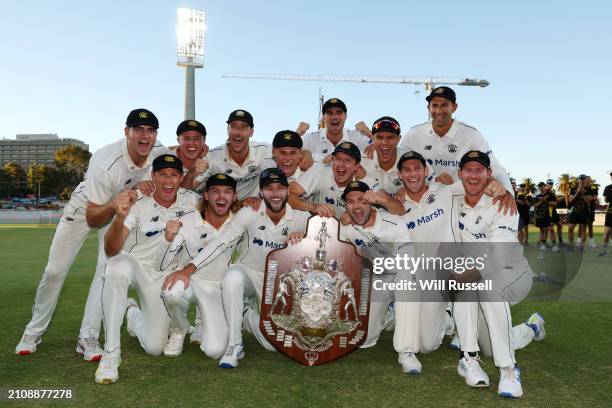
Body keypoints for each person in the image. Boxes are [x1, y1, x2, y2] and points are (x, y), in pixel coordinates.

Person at [16, 109, 167, 360]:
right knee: (55, 271)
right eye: (138, 129)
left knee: (106, 269)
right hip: (87, 210)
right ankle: (33, 330)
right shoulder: (105, 160)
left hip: (118, 212)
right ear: (126, 132)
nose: (145, 136)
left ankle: (88, 337)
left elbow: (178, 159)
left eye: (150, 131)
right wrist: (116, 202)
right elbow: (93, 217)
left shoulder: (158, 152)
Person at [169, 168, 310, 369]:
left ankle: (246, 316)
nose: (275, 193)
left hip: (279, 281)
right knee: (232, 277)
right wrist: (189, 268)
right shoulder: (248, 213)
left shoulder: (303, 218)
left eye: (280, 188)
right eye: (269, 188)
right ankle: (234, 346)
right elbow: (221, 242)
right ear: (260, 193)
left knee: (272, 345)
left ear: (288, 191)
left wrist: (305, 236)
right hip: (249, 273)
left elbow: (327, 237)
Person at [95, 154, 200, 384]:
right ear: (153, 176)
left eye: (173, 174)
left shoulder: (192, 201)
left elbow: (220, 211)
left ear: (181, 177)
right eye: (162, 174)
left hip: (166, 277)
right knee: (115, 267)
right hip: (138, 268)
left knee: (154, 347)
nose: (168, 180)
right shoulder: (139, 202)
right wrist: (118, 218)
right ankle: (111, 354)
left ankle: (132, 314)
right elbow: (112, 249)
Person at [450, 151, 542, 398]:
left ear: (489, 174)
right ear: (460, 174)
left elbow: (499, 257)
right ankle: (531, 328)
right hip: (476, 276)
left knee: (485, 287)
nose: (473, 175)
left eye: (479, 170)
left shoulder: (503, 203)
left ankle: (508, 369)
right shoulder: (452, 199)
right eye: (468, 170)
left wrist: (462, 276)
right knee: (491, 345)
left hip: (513, 273)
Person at [160, 174, 239, 358]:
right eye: (215, 191)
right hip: (191, 282)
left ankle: (206, 321)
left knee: (215, 351)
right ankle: (179, 330)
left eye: (227, 192)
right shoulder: (188, 220)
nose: (221, 197)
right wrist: (167, 240)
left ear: (235, 196)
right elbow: (164, 263)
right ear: (205, 195)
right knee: (172, 292)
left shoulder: (239, 223)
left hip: (219, 290)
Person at [398, 86, 514, 204]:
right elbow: (397, 164)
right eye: (434, 106)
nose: (439, 111)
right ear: (428, 108)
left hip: (459, 201)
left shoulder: (471, 134)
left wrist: (507, 192)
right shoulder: (414, 134)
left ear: (454, 107)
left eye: (444, 105)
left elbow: (494, 167)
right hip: (423, 200)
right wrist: (401, 187)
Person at [194, 110, 312, 202]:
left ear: (251, 132)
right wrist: (179, 149)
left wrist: (307, 152)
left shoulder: (262, 150)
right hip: (222, 207)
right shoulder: (212, 156)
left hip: (251, 208)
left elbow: (286, 148)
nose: (238, 132)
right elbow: (188, 189)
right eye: (233, 126)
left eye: (244, 127)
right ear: (228, 130)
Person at [289, 142, 400, 218]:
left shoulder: (366, 181)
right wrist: (314, 207)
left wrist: (379, 199)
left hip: (347, 237)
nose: (341, 165)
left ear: (357, 166)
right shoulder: (319, 170)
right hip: (316, 229)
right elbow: (289, 195)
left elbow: (399, 210)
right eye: (337, 159)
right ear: (332, 160)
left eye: (348, 160)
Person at [300, 98, 371, 163]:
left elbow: (379, 148)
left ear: (345, 116)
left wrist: (370, 135)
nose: (334, 117)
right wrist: (297, 134)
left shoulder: (358, 138)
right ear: (324, 117)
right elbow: (290, 152)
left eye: (339, 112)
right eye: (330, 113)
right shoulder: (310, 140)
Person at [567, 175, 589, 248]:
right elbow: (570, 200)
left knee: (583, 229)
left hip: (584, 211)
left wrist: (582, 192)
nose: (582, 181)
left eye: (583, 179)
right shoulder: (573, 189)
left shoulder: (588, 189)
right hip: (574, 211)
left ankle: (581, 246)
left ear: (586, 180)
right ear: (578, 180)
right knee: (570, 228)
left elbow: (587, 201)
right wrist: (577, 193)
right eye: (581, 179)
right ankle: (571, 245)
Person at [533, 182, 553, 250]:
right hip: (539, 216)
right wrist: (541, 201)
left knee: (545, 229)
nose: (541, 188)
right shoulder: (537, 196)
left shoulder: (550, 195)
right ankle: (542, 244)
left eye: (542, 186)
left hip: (547, 215)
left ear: (545, 186)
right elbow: (535, 205)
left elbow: (554, 203)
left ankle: (544, 244)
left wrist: (545, 200)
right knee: (542, 230)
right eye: (539, 186)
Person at [545, 179, 564, 247]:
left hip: (554, 211)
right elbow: (547, 202)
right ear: (546, 184)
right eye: (549, 183)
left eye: (551, 184)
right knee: (550, 229)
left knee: (559, 225)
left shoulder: (552, 192)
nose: (550, 185)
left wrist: (561, 198)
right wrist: (555, 202)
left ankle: (561, 241)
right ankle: (550, 244)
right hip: (549, 212)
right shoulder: (545, 192)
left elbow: (554, 200)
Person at [599, 171, 612, 257]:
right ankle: (604, 251)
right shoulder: (608, 187)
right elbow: (606, 200)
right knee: (607, 232)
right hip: (611, 212)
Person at [585, 176, 599, 248]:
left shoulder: (594, 187)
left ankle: (591, 241)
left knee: (590, 225)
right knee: (582, 226)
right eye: (586, 180)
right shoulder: (582, 188)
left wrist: (591, 198)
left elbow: (595, 198)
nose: (587, 181)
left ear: (590, 181)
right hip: (582, 209)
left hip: (591, 209)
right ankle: (580, 242)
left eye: (589, 180)